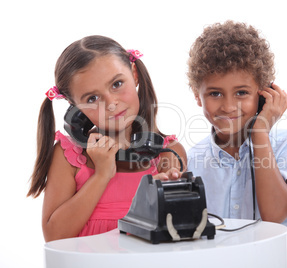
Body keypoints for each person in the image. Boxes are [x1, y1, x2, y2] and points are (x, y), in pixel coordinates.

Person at [27, 35, 186, 242]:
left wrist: (154, 200)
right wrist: (101, 175)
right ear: (75, 108)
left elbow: (176, 232)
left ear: (135, 75)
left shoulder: (167, 152)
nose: (111, 103)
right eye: (92, 98)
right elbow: (55, 236)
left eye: (117, 84)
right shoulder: (69, 156)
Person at [186, 21, 287, 267]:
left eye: (241, 93)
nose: (227, 106)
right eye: (215, 93)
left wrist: (260, 131)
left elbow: (274, 215)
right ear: (197, 94)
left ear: (264, 93)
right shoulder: (193, 160)